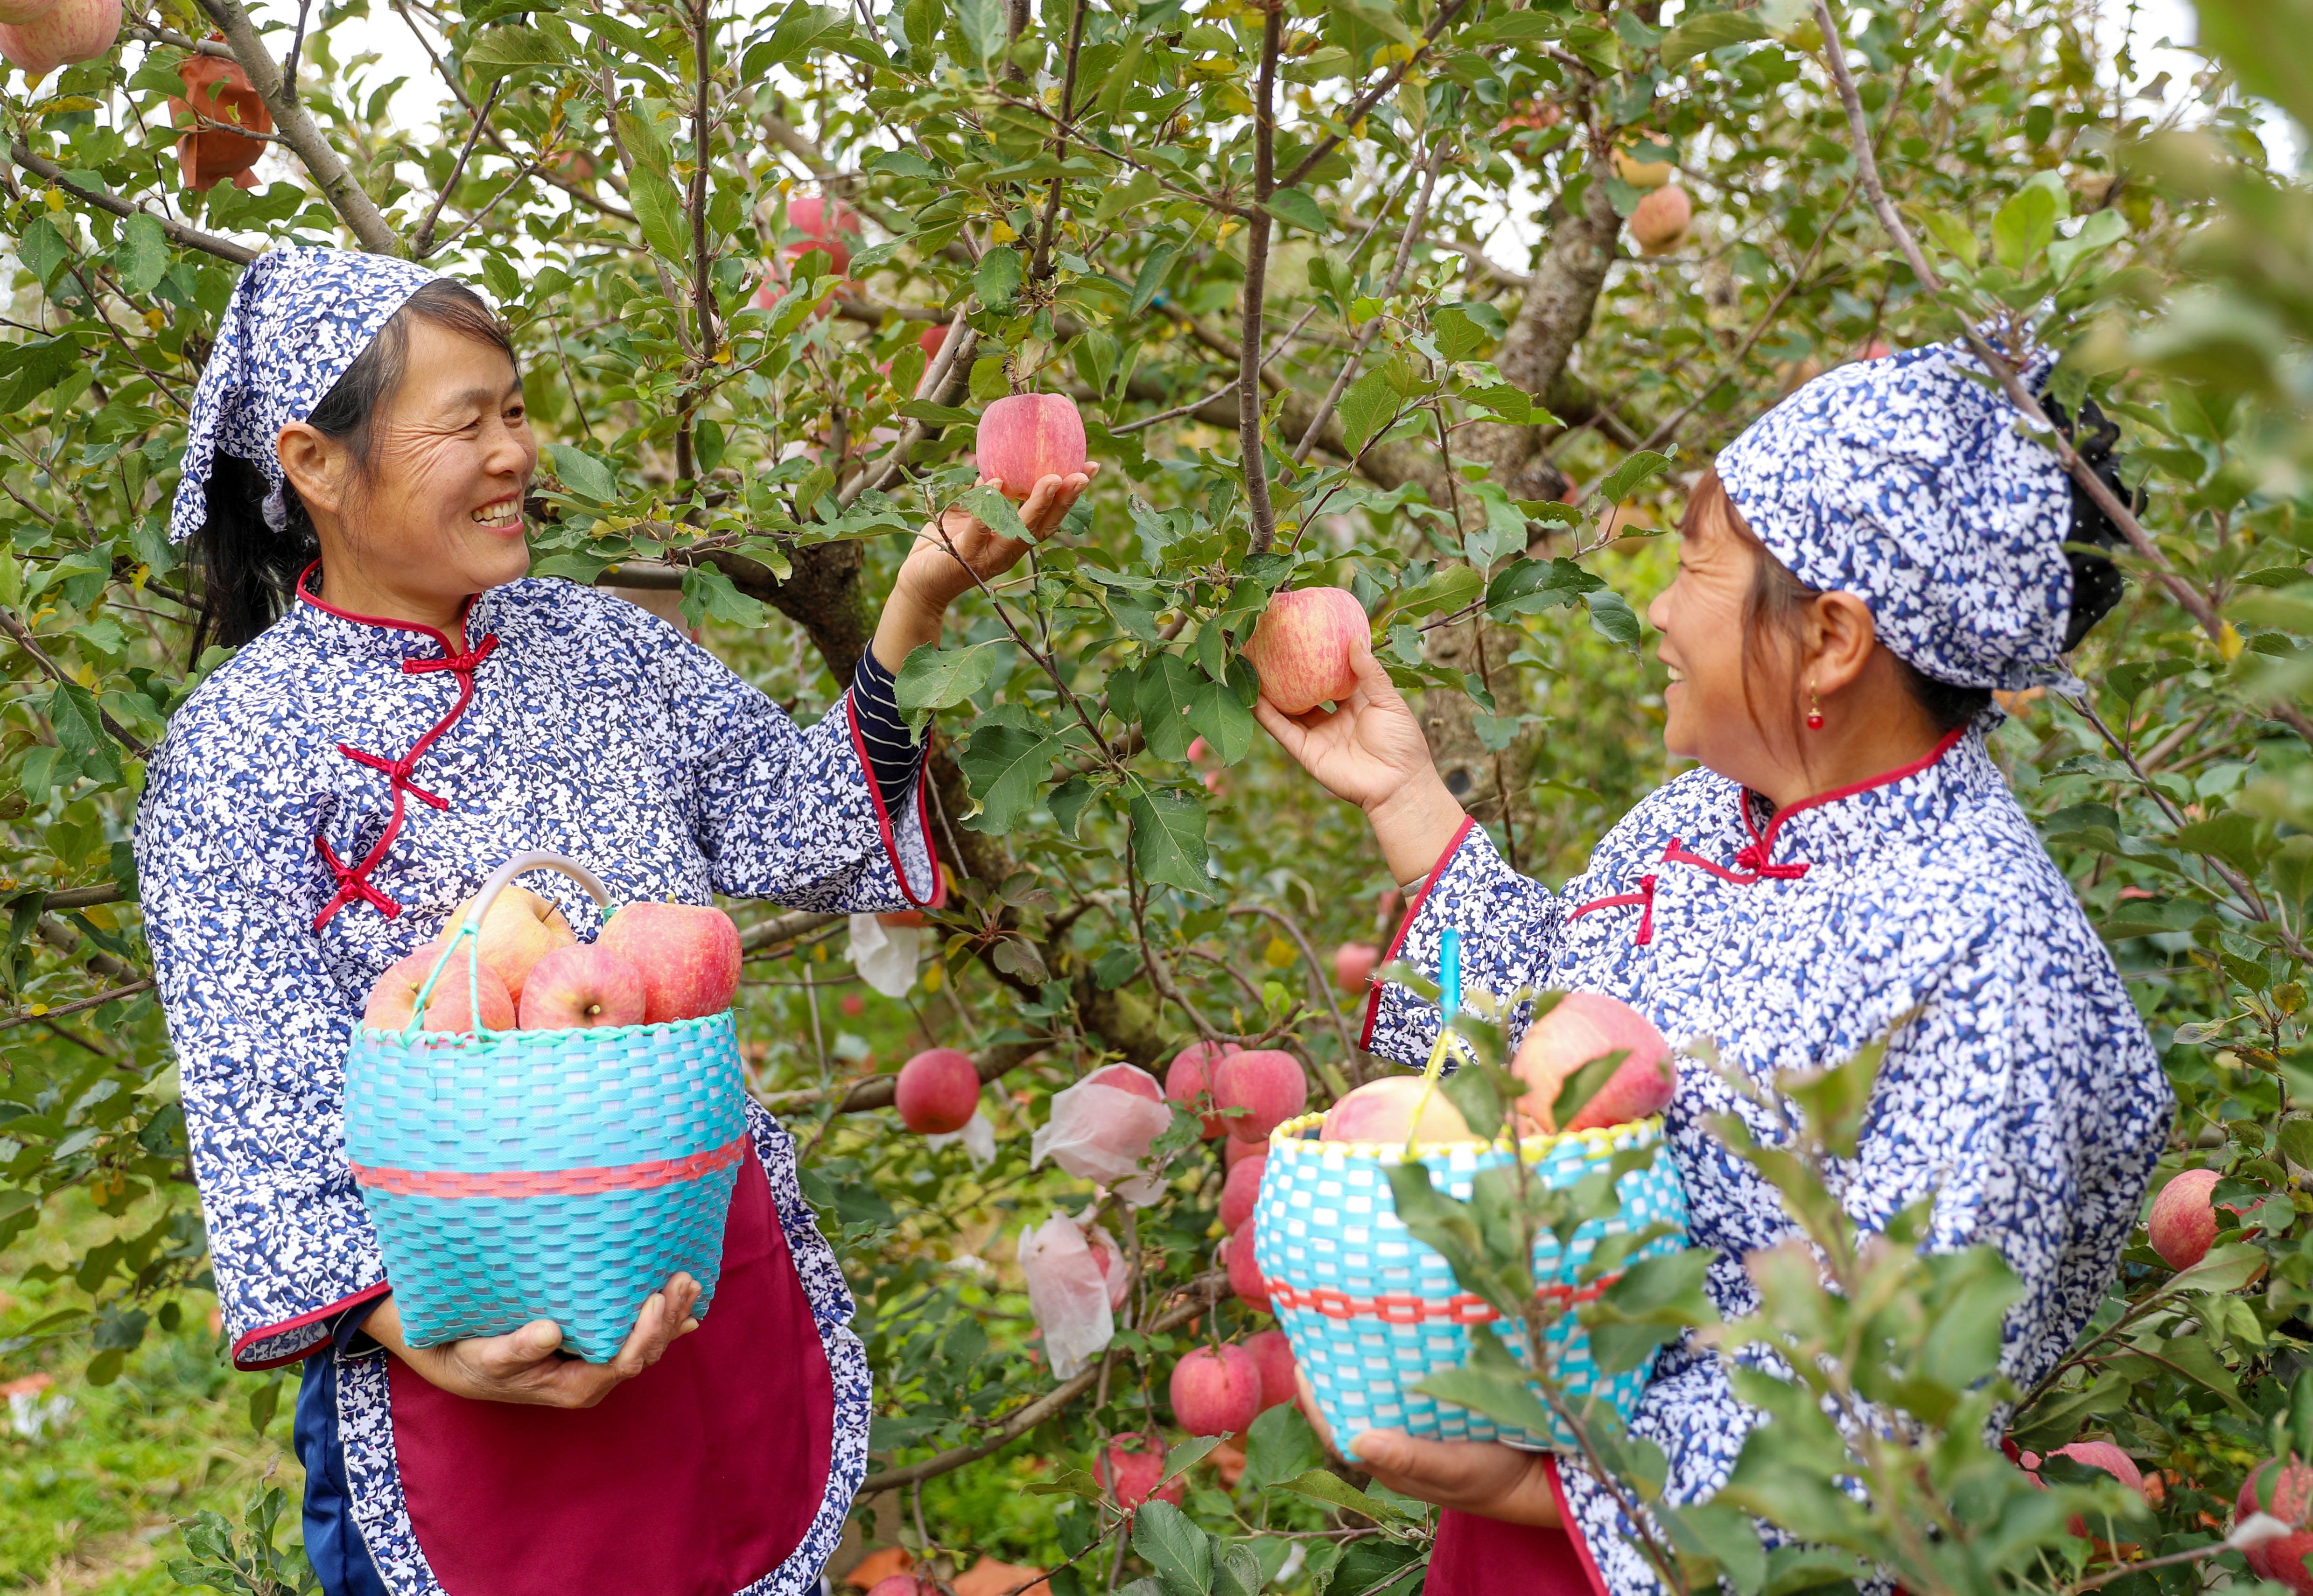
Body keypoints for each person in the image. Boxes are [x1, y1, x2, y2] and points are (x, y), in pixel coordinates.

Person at [133, 247, 1091, 1596]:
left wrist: (914, 610)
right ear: (314, 463)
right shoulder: (234, 752)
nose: (515, 452)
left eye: (517, 410)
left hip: (701, 1285)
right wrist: (426, 1338)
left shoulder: (603, 649)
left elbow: (810, 825)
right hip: (466, 1359)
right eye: (467, 421)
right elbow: (259, 1107)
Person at [1254, 339, 2173, 1594]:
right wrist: (1407, 800)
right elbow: (1538, 1075)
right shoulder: (1697, 817)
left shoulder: (1988, 961)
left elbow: (1900, 1405)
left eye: (1695, 567)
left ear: (1831, 639)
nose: (1658, 609)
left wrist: (1527, 1487)